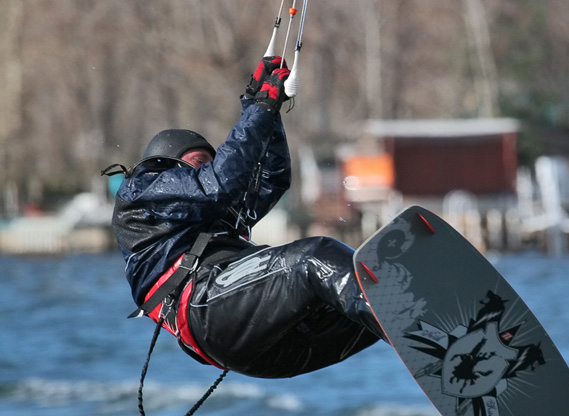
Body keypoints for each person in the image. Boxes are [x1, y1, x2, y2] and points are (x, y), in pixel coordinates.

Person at [103, 54, 384, 382]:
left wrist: (264, 109)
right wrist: (262, 106)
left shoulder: (214, 213)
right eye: (198, 162)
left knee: (373, 278)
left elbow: (272, 178)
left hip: (270, 349)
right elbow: (219, 181)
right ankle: (402, 315)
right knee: (314, 257)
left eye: (209, 163)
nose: (205, 169)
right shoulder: (144, 189)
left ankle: (435, 335)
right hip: (207, 313)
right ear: (167, 164)